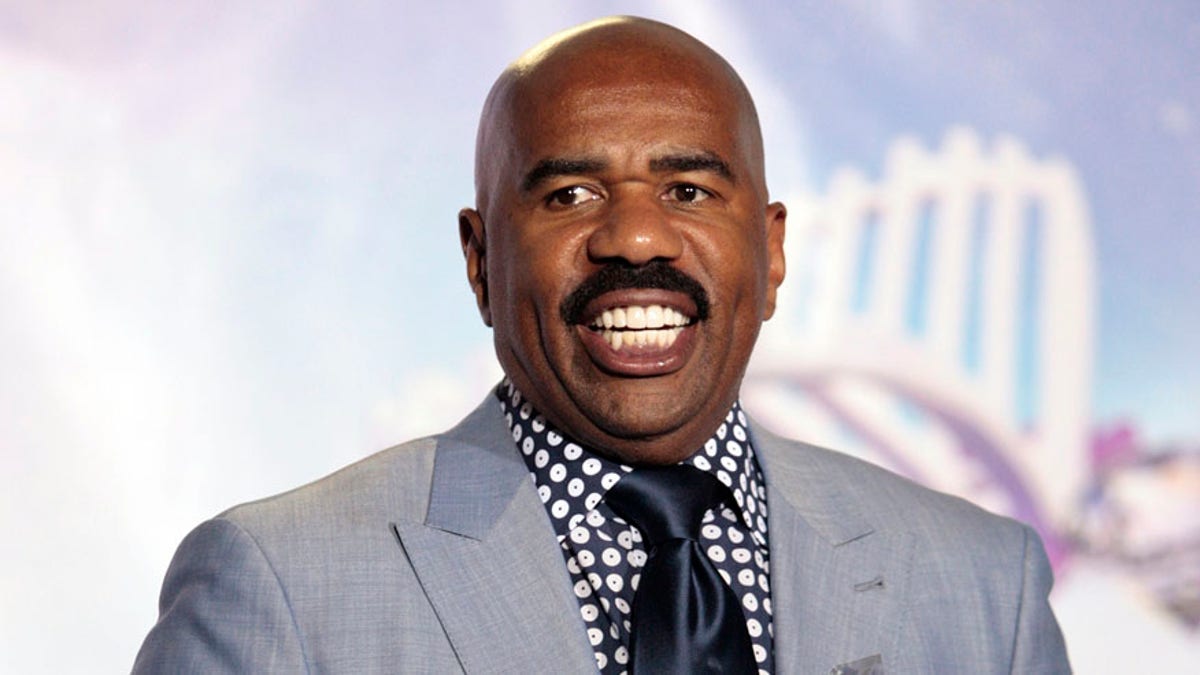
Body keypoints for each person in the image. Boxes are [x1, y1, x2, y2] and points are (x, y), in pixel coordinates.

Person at [134, 16, 1070, 673]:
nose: (636, 238)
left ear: (774, 249)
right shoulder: (276, 585)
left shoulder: (986, 585)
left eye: (690, 191)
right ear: (479, 259)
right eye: (569, 195)